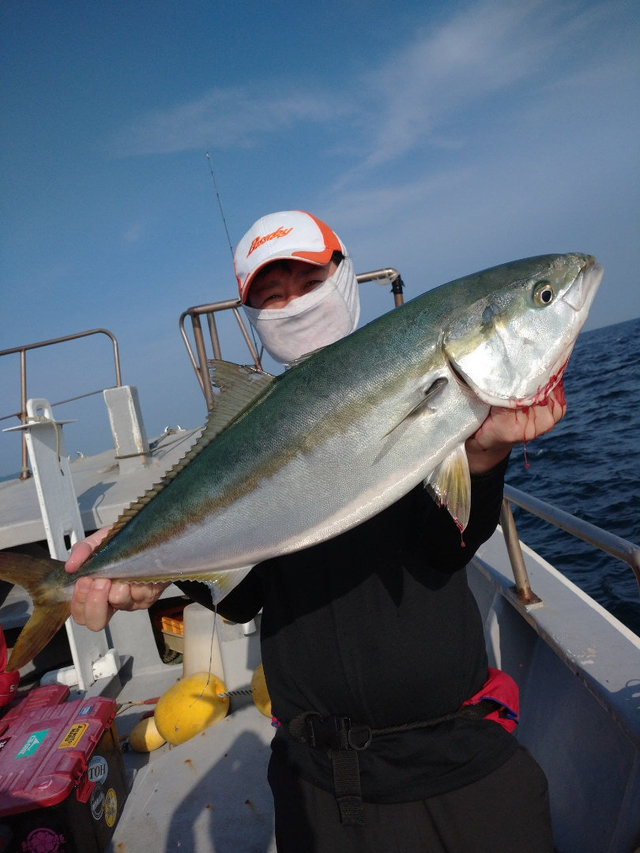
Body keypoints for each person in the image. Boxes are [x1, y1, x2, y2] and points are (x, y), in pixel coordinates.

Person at [67, 210, 563, 852]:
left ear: (343, 277)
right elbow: (242, 595)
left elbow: (447, 549)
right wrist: (151, 572)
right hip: (319, 782)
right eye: (271, 296)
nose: (292, 304)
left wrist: (484, 457)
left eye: (305, 280)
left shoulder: (439, 406)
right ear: (254, 317)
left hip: (456, 755)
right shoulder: (252, 435)